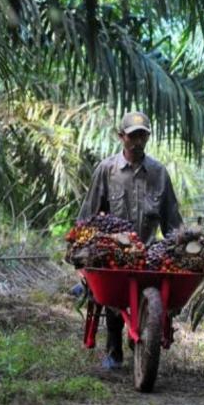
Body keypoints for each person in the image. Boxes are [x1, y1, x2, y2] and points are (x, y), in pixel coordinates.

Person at [77, 111, 183, 369]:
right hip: (114, 252)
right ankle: (113, 351)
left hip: (147, 252)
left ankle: (144, 337)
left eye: (142, 136)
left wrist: (183, 251)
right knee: (113, 294)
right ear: (121, 136)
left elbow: (172, 220)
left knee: (150, 291)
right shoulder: (107, 170)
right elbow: (88, 216)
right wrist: (81, 258)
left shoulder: (158, 173)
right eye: (133, 136)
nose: (138, 142)